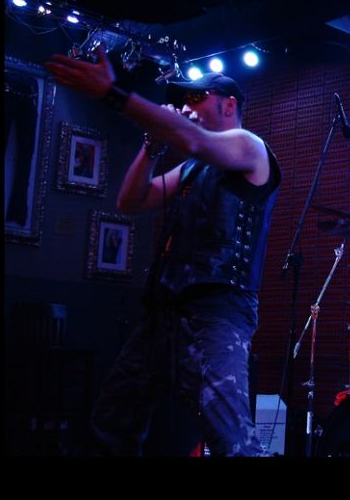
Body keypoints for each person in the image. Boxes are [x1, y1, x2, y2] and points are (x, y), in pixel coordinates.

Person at [46, 47, 281, 456]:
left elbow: (191, 139)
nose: (186, 106)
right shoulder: (192, 167)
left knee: (232, 439)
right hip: (164, 312)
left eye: (197, 97)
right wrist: (152, 148)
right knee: (113, 422)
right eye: (183, 100)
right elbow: (131, 202)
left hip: (216, 313)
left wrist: (113, 94)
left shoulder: (250, 146)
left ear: (229, 105)